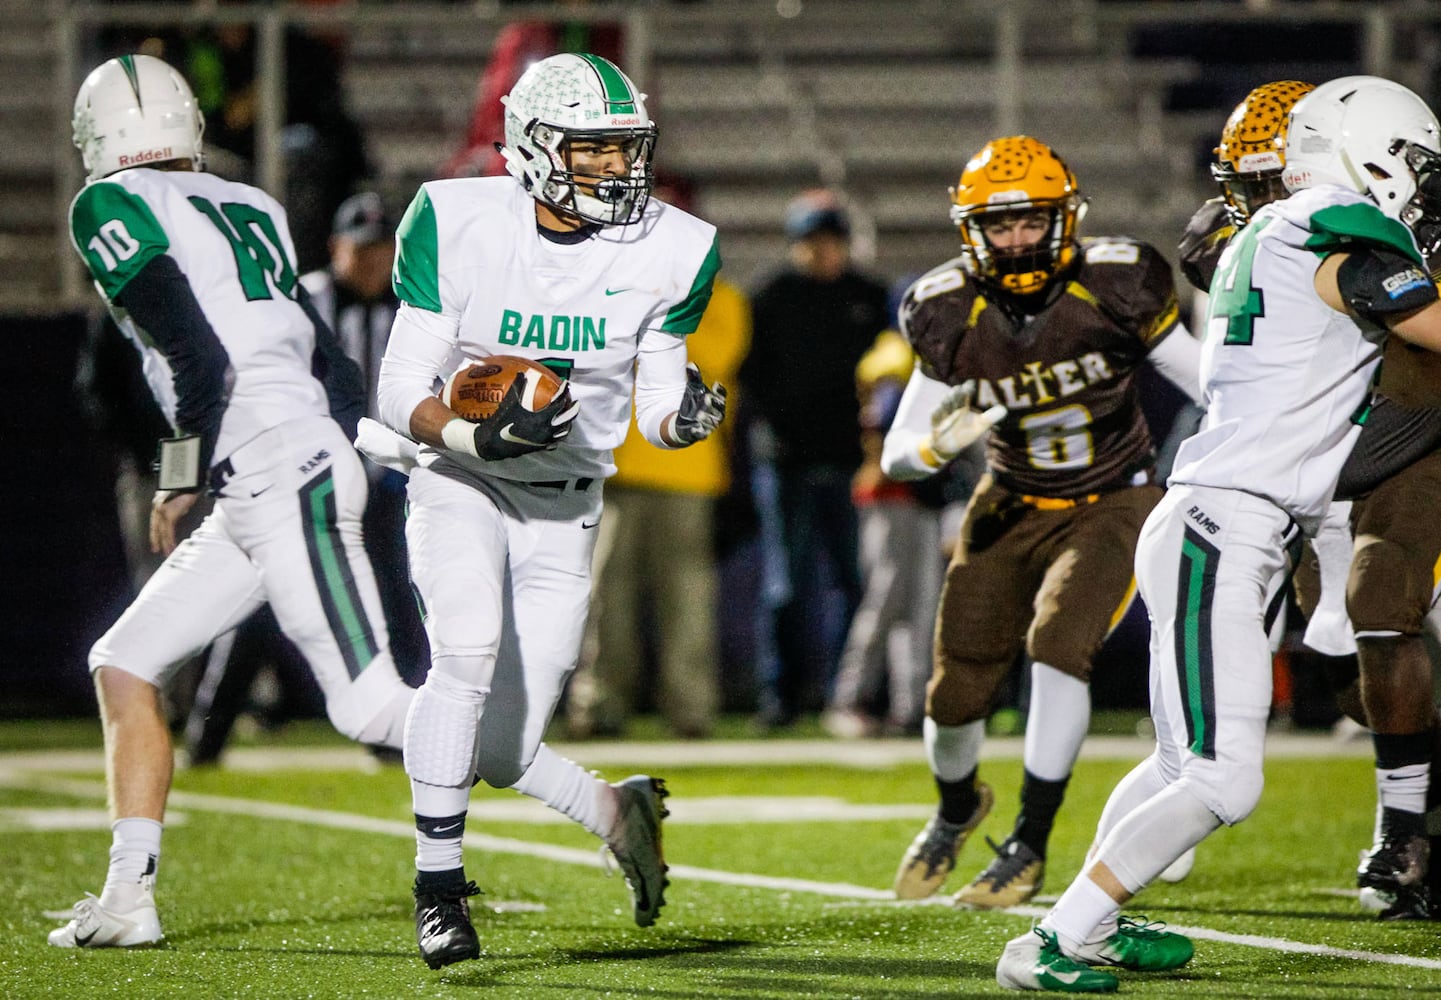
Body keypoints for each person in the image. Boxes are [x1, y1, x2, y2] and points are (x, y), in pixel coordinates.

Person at [996, 76, 1441, 992]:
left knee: (1175, 762)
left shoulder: (1270, 230)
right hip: (1225, 522)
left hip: (1218, 516)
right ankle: (1048, 942)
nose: (1419, 184)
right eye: (1413, 163)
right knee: (1221, 779)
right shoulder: (1338, 225)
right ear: (1365, 152)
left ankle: (1089, 919)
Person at [49, 54, 415, 949]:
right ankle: (129, 899)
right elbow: (330, 364)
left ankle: (595, 799)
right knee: (125, 663)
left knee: (370, 710)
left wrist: (177, 477)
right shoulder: (252, 205)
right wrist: (349, 453)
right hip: (286, 462)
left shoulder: (109, 205)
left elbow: (198, 364)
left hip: (268, 468)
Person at [369, 52, 726, 970]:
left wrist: (680, 422)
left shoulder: (675, 244)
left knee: (505, 745)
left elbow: (655, 400)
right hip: (459, 478)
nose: (616, 169)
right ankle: (438, 889)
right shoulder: (456, 219)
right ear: (530, 146)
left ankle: (616, 810)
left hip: (568, 501)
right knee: (467, 650)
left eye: (625, 150)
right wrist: (473, 440)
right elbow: (398, 385)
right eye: (593, 150)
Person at [880, 136, 1203, 910]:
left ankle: (1028, 839)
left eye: (1032, 222)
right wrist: (933, 444)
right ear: (972, 232)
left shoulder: (1117, 282)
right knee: (954, 693)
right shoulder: (946, 308)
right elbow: (897, 454)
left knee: (1058, 646)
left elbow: (1203, 378)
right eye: (1000, 226)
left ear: (1066, 220)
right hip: (1010, 495)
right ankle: (958, 809)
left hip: (1112, 495)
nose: (1018, 240)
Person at [1183, 79, 1441, 921]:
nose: (1274, 196)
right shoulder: (1248, 237)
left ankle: (1404, 828)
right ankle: (1407, 813)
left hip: (1413, 426)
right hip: (1325, 457)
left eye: (1281, 173)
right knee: (1338, 647)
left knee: (1379, 607)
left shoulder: (1381, 219)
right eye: (1260, 181)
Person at [566, 268, 751, 740]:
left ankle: (690, 709)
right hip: (616, 464)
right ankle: (600, 705)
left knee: (686, 599)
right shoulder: (614, 288)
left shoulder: (721, 299)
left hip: (687, 470)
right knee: (607, 594)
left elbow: (711, 358)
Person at [739, 189, 891, 729]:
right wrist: (775, 434)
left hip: (852, 463)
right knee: (787, 583)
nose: (821, 252)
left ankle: (849, 694)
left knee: (855, 582)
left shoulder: (869, 298)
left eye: (830, 242)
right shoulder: (772, 296)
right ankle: (780, 695)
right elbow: (750, 378)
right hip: (788, 463)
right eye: (811, 243)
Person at [823, 328, 981, 739]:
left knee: (922, 605)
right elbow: (882, 426)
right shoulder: (897, 359)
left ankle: (910, 705)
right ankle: (849, 698)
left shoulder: (948, 363)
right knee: (888, 597)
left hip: (925, 499)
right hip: (893, 496)